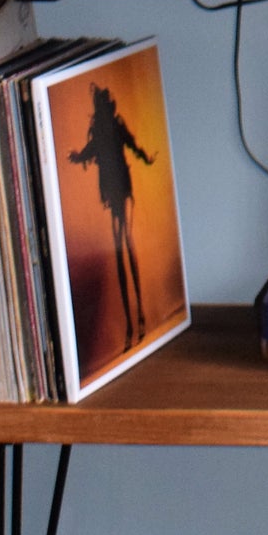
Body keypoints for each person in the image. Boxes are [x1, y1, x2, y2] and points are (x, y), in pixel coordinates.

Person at [69, 83, 156, 351]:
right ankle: (133, 321)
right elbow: (88, 152)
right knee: (121, 250)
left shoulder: (114, 128)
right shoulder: (101, 133)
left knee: (125, 245)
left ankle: (139, 317)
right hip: (113, 192)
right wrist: (76, 156)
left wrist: (145, 157)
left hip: (123, 190)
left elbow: (132, 145)